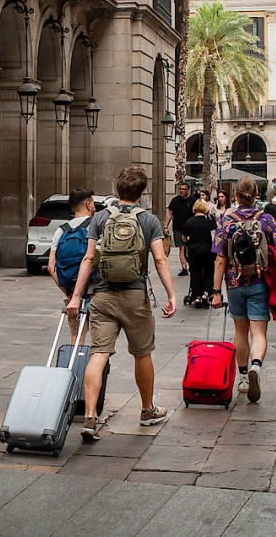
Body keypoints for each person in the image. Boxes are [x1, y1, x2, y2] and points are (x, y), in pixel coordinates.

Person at [67, 166, 177, 440]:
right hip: (135, 297)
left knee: (99, 354)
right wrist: (171, 295)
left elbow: (89, 259)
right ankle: (147, 409)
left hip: (102, 296)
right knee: (142, 353)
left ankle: (90, 417)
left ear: (118, 190)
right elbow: (160, 260)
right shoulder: (149, 220)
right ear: (141, 192)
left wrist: (76, 296)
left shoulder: (100, 218)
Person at [211, 176, 276, 403]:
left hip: (234, 284)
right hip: (259, 282)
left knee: (240, 331)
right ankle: (256, 366)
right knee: (259, 332)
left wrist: (215, 292)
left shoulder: (226, 221)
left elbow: (221, 259)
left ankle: (243, 378)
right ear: (256, 195)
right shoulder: (267, 220)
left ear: (235, 196)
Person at [49, 188, 97, 342]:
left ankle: (75, 364)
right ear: (88, 205)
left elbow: (51, 266)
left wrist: (69, 292)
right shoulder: (95, 227)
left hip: (71, 294)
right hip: (96, 292)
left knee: (76, 337)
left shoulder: (61, 231)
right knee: (100, 340)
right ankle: (94, 366)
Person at [180, 199, 217, 308]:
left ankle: (197, 296)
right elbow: (214, 235)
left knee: (195, 273)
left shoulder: (189, 222)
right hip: (207, 251)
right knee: (208, 272)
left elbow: (184, 237)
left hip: (194, 251)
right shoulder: (209, 222)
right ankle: (206, 294)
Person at [164, 182, 196, 276]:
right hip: (178, 228)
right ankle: (184, 267)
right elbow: (170, 213)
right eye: (180, 189)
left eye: (183, 189)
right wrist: (166, 226)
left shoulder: (193, 201)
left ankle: (192, 265)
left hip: (191, 229)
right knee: (181, 248)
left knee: (190, 248)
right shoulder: (175, 200)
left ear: (188, 190)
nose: (181, 191)